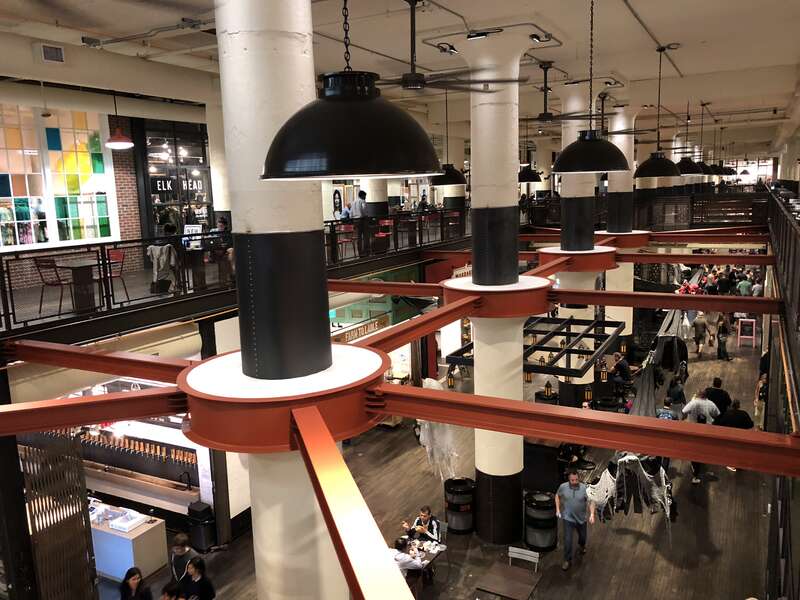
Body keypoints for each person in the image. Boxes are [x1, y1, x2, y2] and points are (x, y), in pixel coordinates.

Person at [555, 469, 595, 571]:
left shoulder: (584, 488)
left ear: (579, 478)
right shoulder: (563, 487)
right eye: (572, 480)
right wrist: (558, 509)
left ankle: (582, 546)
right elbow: (557, 496)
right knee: (568, 540)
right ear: (569, 479)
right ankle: (567, 560)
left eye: (576, 480)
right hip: (568, 518)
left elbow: (591, 501)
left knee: (583, 537)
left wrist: (592, 514)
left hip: (581, 519)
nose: (574, 482)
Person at [682, 390, 720, 483]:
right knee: (703, 448)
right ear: (706, 396)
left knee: (695, 449)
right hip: (707, 430)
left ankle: (695, 468)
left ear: (698, 396)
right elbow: (717, 414)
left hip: (693, 429)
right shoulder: (710, 403)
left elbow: (684, 411)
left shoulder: (693, 402)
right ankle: (701, 460)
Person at [716, 400, 755, 472]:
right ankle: (739, 464)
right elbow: (750, 425)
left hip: (729, 435)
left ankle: (731, 464)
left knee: (731, 450)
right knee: (740, 450)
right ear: (739, 406)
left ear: (731, 405)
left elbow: (720, 423)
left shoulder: (727, 414)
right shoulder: (743, 414)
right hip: (741, 436)